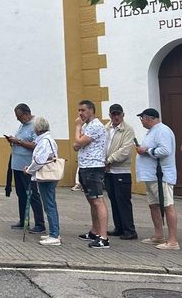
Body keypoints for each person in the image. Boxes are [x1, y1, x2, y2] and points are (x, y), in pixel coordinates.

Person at [135, 108, 179, 250]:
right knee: (154, 205)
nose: (141, 121)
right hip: (151, 176)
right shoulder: (152, 131)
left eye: (141, 118)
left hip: (161, 176)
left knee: (167, 205)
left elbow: (165, 150)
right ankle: (158, 235)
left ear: (148, 118)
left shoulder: (162, 130)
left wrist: (146, 151)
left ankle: (173, 241)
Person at [73, 99, 110, 249]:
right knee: (91, 200)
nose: (80, 113)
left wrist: (77, 127)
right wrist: (79, 140)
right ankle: (95, 231)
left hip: (94, 167)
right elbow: (76, 145)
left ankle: (103, 237)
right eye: (79, 110)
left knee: (97, 201)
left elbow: (79, 141)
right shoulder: (88, 126)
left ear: (91, 110)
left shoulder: (95, 125)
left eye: (83, 110)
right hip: (85, 166)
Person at [7, 103, 45, 233]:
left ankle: (40, 224)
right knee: (21, 194)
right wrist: (13, 140)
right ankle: (24, 220)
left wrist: (18, 142)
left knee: (32, 194)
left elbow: (36, 145)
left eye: (19, 116)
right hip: (17, 165)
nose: (18, 119)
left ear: (27, 114)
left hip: (28, 166)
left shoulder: (35, 125)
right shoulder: (22, 125)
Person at [26, 117, 62, 246]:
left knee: (49, 204)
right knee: (49, 204)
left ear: (37, 128)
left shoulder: (45, 141)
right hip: (47, 176)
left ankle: (54, 235)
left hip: (46, 177)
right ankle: (53, 232)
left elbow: (40, 160)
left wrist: (29, 170)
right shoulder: (46, 140)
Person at [104, 103, 137, 239]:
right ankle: (119, 227)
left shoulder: (128, 130)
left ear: (123, 115)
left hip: (121, 170)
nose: (116, 117)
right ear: (110, 115)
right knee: (113, 199)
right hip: (108, 171)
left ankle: (129, 230)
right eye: (113, 114)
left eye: (118, 114)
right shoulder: (106, 128)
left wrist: (108, 160)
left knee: (123, 201)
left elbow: (125, 150)